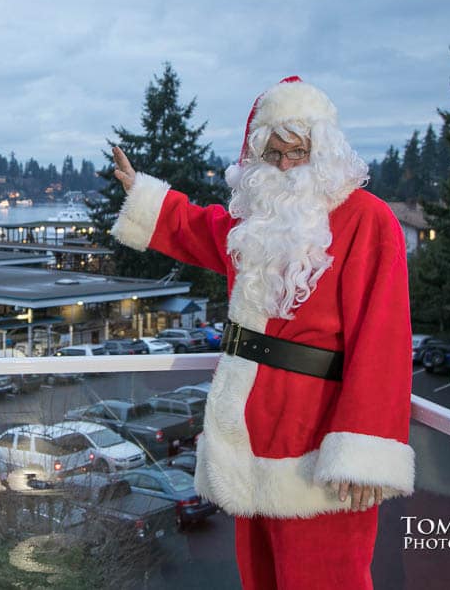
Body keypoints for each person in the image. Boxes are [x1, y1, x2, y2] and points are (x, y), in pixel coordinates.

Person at [110, 76, 414, 590]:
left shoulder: (369, 219)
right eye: (274, 155)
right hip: (248, 438)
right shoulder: (254, 226)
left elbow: (384, 340)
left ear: (322, 151)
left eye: (298, 152)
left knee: (328, 579)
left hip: (320, 446)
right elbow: (197, 227)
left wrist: (364, 450)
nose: (287, 167)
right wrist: (144, 196)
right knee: (261, 579)